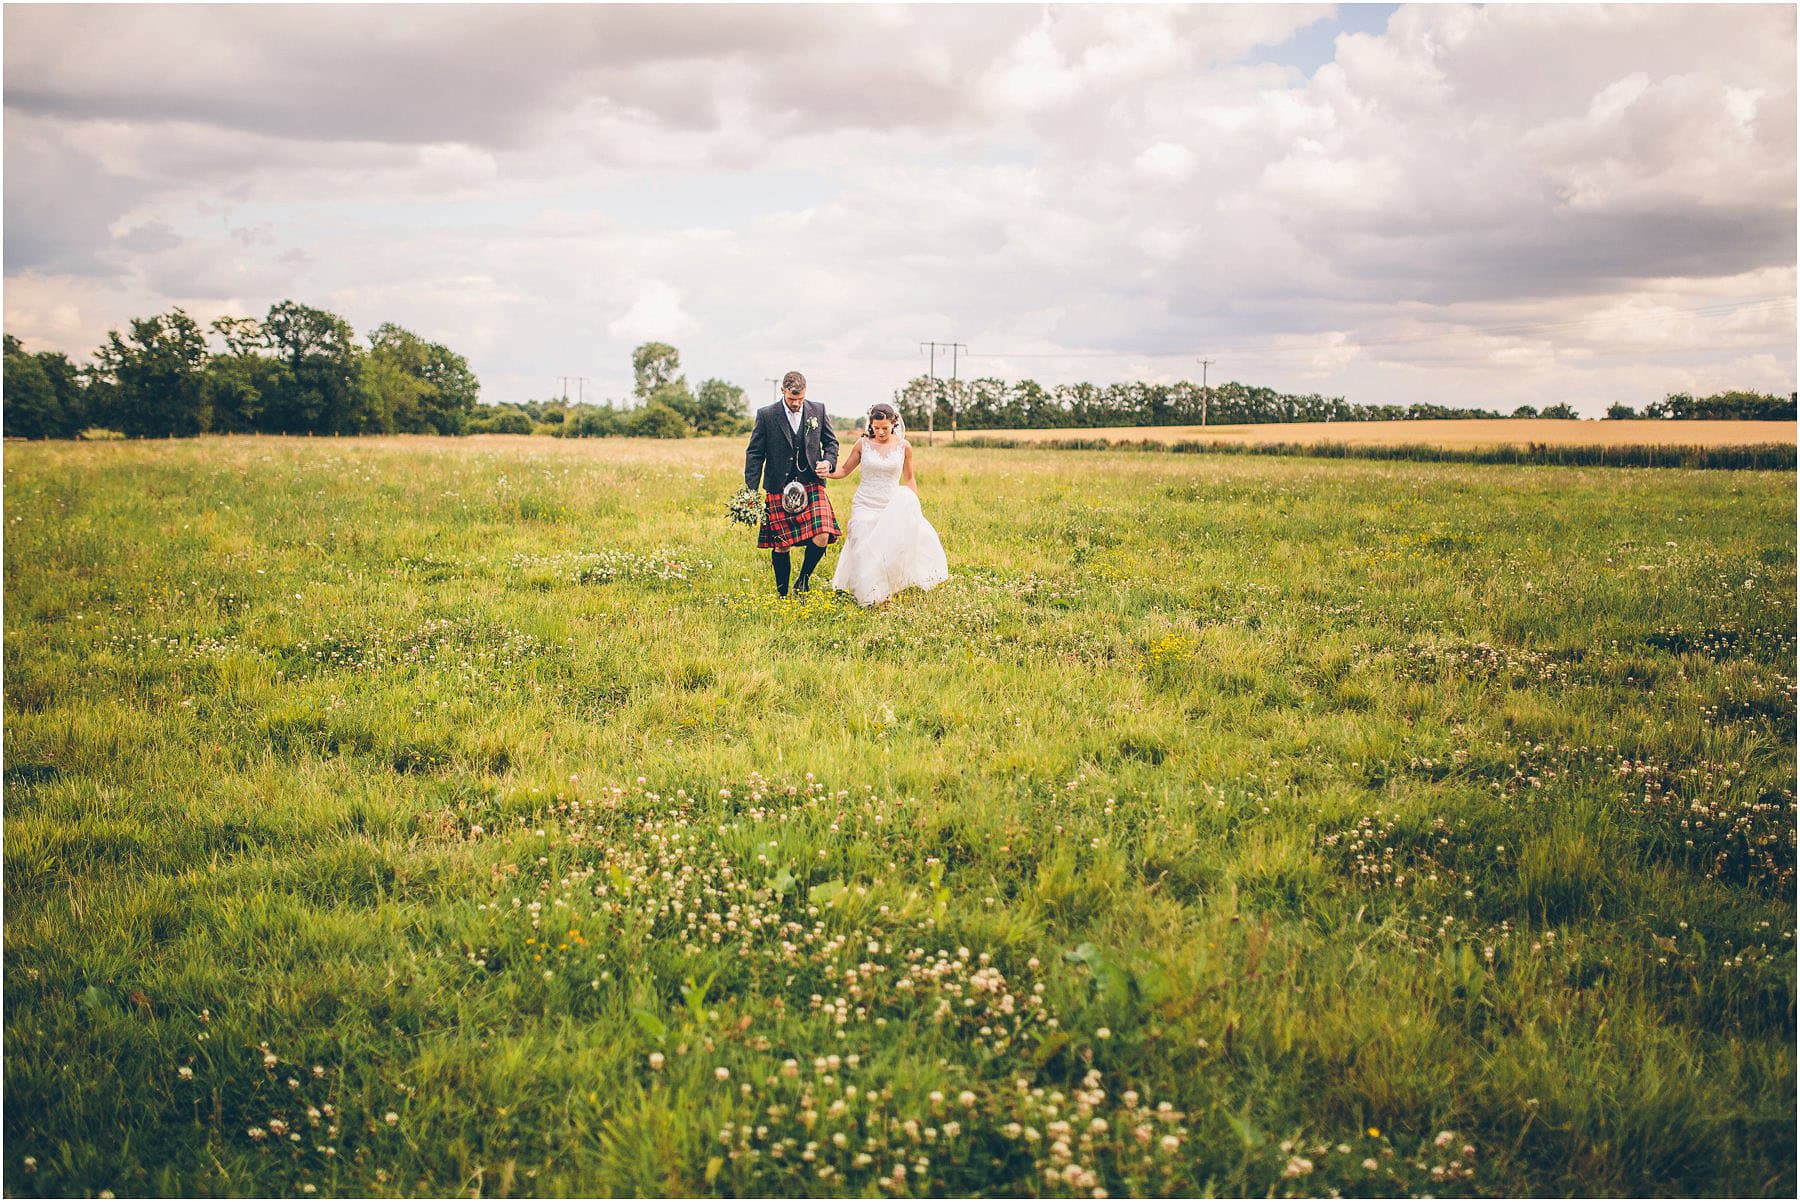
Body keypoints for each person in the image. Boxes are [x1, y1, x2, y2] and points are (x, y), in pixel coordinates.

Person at [827, 402, 949, 606]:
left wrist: (913, 505)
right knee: (862, 539)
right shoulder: (862, 444)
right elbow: (844, 470)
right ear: (871, 425)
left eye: (885, 428)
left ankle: (883, 588)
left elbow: (909, 479)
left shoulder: (904, 446)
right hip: (865, 502)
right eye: (876, 428)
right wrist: (826, 472)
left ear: (893, 423)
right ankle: (867, 593)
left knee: (887, 546)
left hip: (890, 504)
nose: (881, 432)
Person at [743, 369, 840, 596]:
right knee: (782, 542)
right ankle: (782, 594)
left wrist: (828, 461)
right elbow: (755, 454)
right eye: (791, 399)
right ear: (783, 392)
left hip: (811, 483)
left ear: (805, 392)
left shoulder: (818, 410)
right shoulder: (767, 415)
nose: (796, 404)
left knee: (823, 533)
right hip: (779, 485)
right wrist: (750, 491)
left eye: (800, 399)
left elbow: (831, 443)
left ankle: (803, 581)